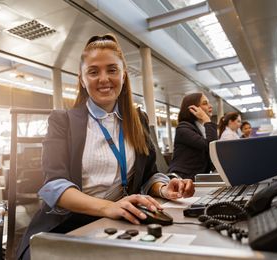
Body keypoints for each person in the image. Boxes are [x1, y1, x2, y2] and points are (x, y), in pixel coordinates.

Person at [16, 33, 195, 260]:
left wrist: (163, 188)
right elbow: (55, 186)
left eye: (112, 70)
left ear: (123, 75)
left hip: (119, 220)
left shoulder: (137, 119)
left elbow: (150, 174)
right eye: (93, 71)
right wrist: (106, 207)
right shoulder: (62, 120)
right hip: (68, 226)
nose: (104, 78)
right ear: (81, 79)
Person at [167, 93, 218, 180]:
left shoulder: (200, 128)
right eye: (205, 103)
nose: (210, 106)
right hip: (183, 180)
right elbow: (211, 146)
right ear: (193, 109)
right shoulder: (183, 128)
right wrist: (206, 120)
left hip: (197, 178)